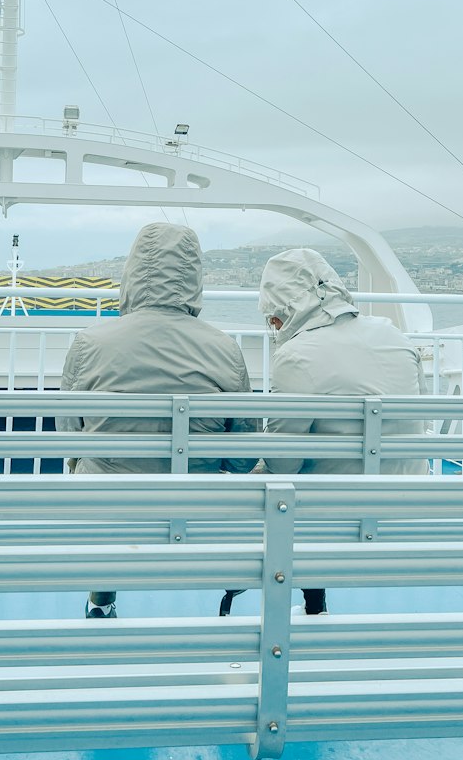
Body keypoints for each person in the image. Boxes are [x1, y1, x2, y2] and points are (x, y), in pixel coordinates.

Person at [59, 221, 253, 618]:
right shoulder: (225, 349)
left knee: (93, 471)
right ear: (194, 277)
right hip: (197, 507)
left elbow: (70, 438)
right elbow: (241, 457)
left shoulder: (89, 343)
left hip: (106, 506)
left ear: (130, 274)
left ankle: (101, 600)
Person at [220, 247, 426, 619]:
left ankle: (310, 604)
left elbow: (284, 461)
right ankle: (314, 603)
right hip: (409, 495)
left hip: (336, 515)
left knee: (276, 488)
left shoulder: (297, 355)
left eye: (272, 320)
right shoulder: (393, 334)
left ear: (282, 311)